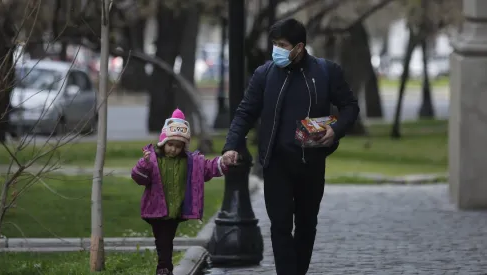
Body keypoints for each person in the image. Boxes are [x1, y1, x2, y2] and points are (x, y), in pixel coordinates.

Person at [221, 18, 360, 275]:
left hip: (312, 163)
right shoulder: (264, 74)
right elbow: (244, 113)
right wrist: (232, 145)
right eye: (274, 44)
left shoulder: (326, 72)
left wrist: (336, 130)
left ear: (299, 47)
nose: (277, 50)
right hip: (276, 164)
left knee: (307, 225)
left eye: (282, 45)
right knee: (280, 226)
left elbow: (350, 107)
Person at [131, 108, 232, 275]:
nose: (173, 149)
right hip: (156, 209)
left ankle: (164, 266)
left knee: (166, 239)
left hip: (175, 211)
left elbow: (208, 168)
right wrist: (144, 164)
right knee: (163, 239)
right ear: (163, 142)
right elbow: (138, 177)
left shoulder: (191, 162)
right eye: (170, 144)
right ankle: (164, 268)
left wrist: (223, 162)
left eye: (178, 146)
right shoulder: (153, 160)